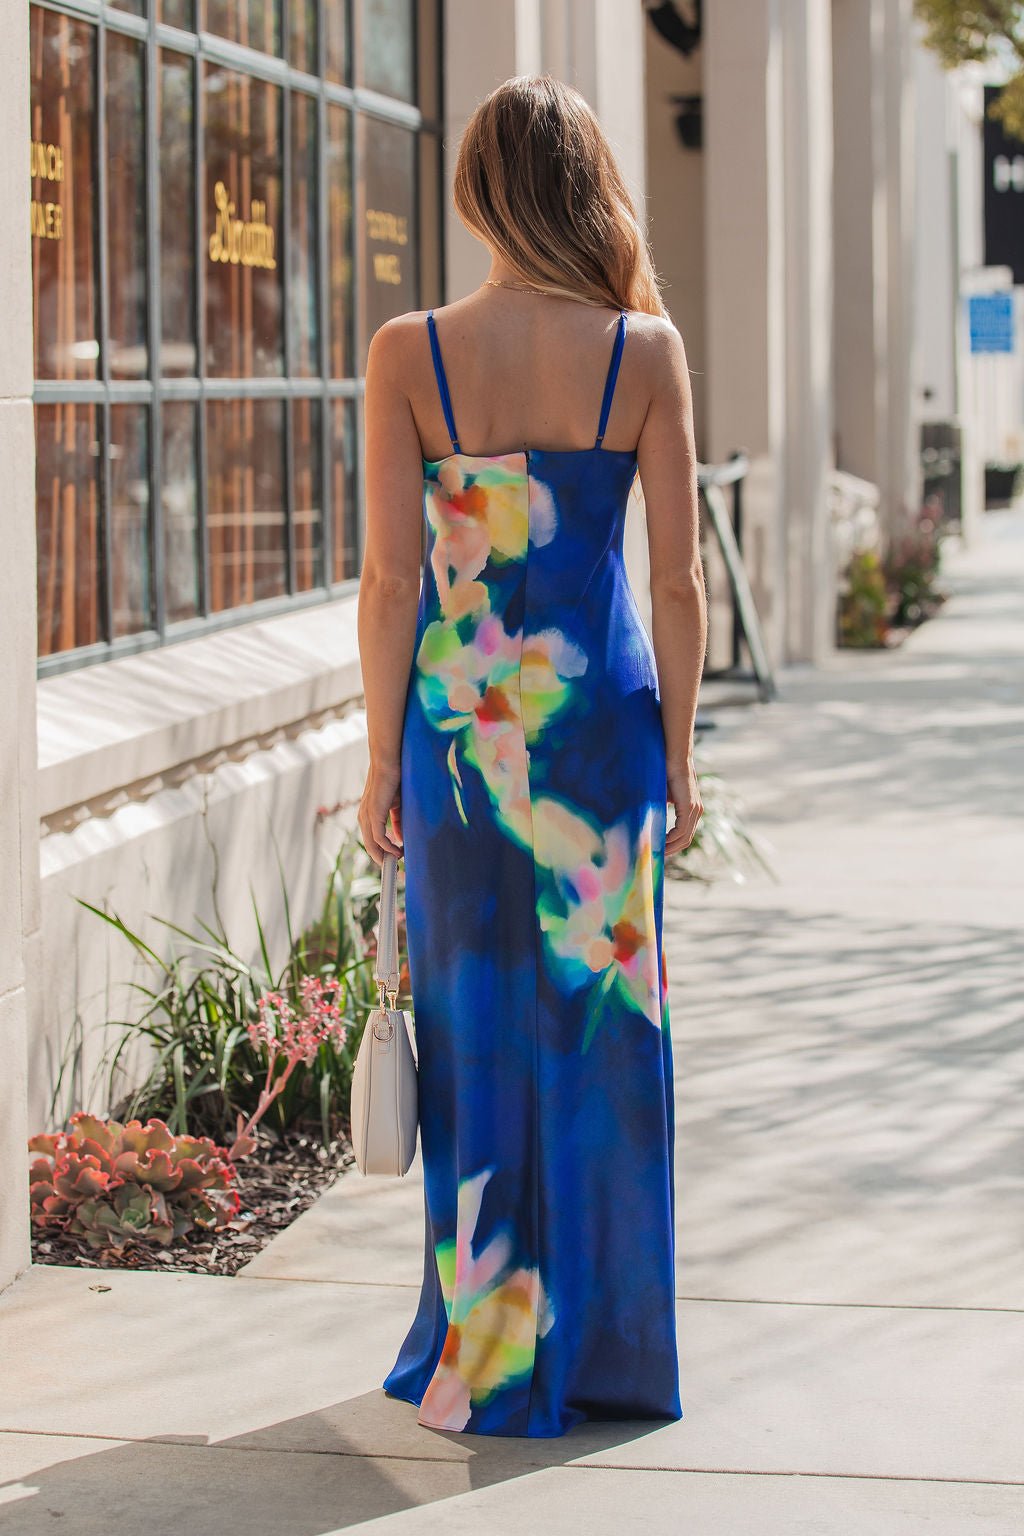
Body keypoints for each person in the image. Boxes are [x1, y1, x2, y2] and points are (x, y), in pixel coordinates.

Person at [356, 73, 707, 1438]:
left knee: (478, 1031)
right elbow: (675, 581)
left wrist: (382, 752)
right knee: (607, 1029)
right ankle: (613, 1349)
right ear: (588, 185)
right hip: (598, 725)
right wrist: (679, 749)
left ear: (478, 190)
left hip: (460, 732)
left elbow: (394, 581)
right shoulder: (644, 350)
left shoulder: (411, 351)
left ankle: (490, 1352)